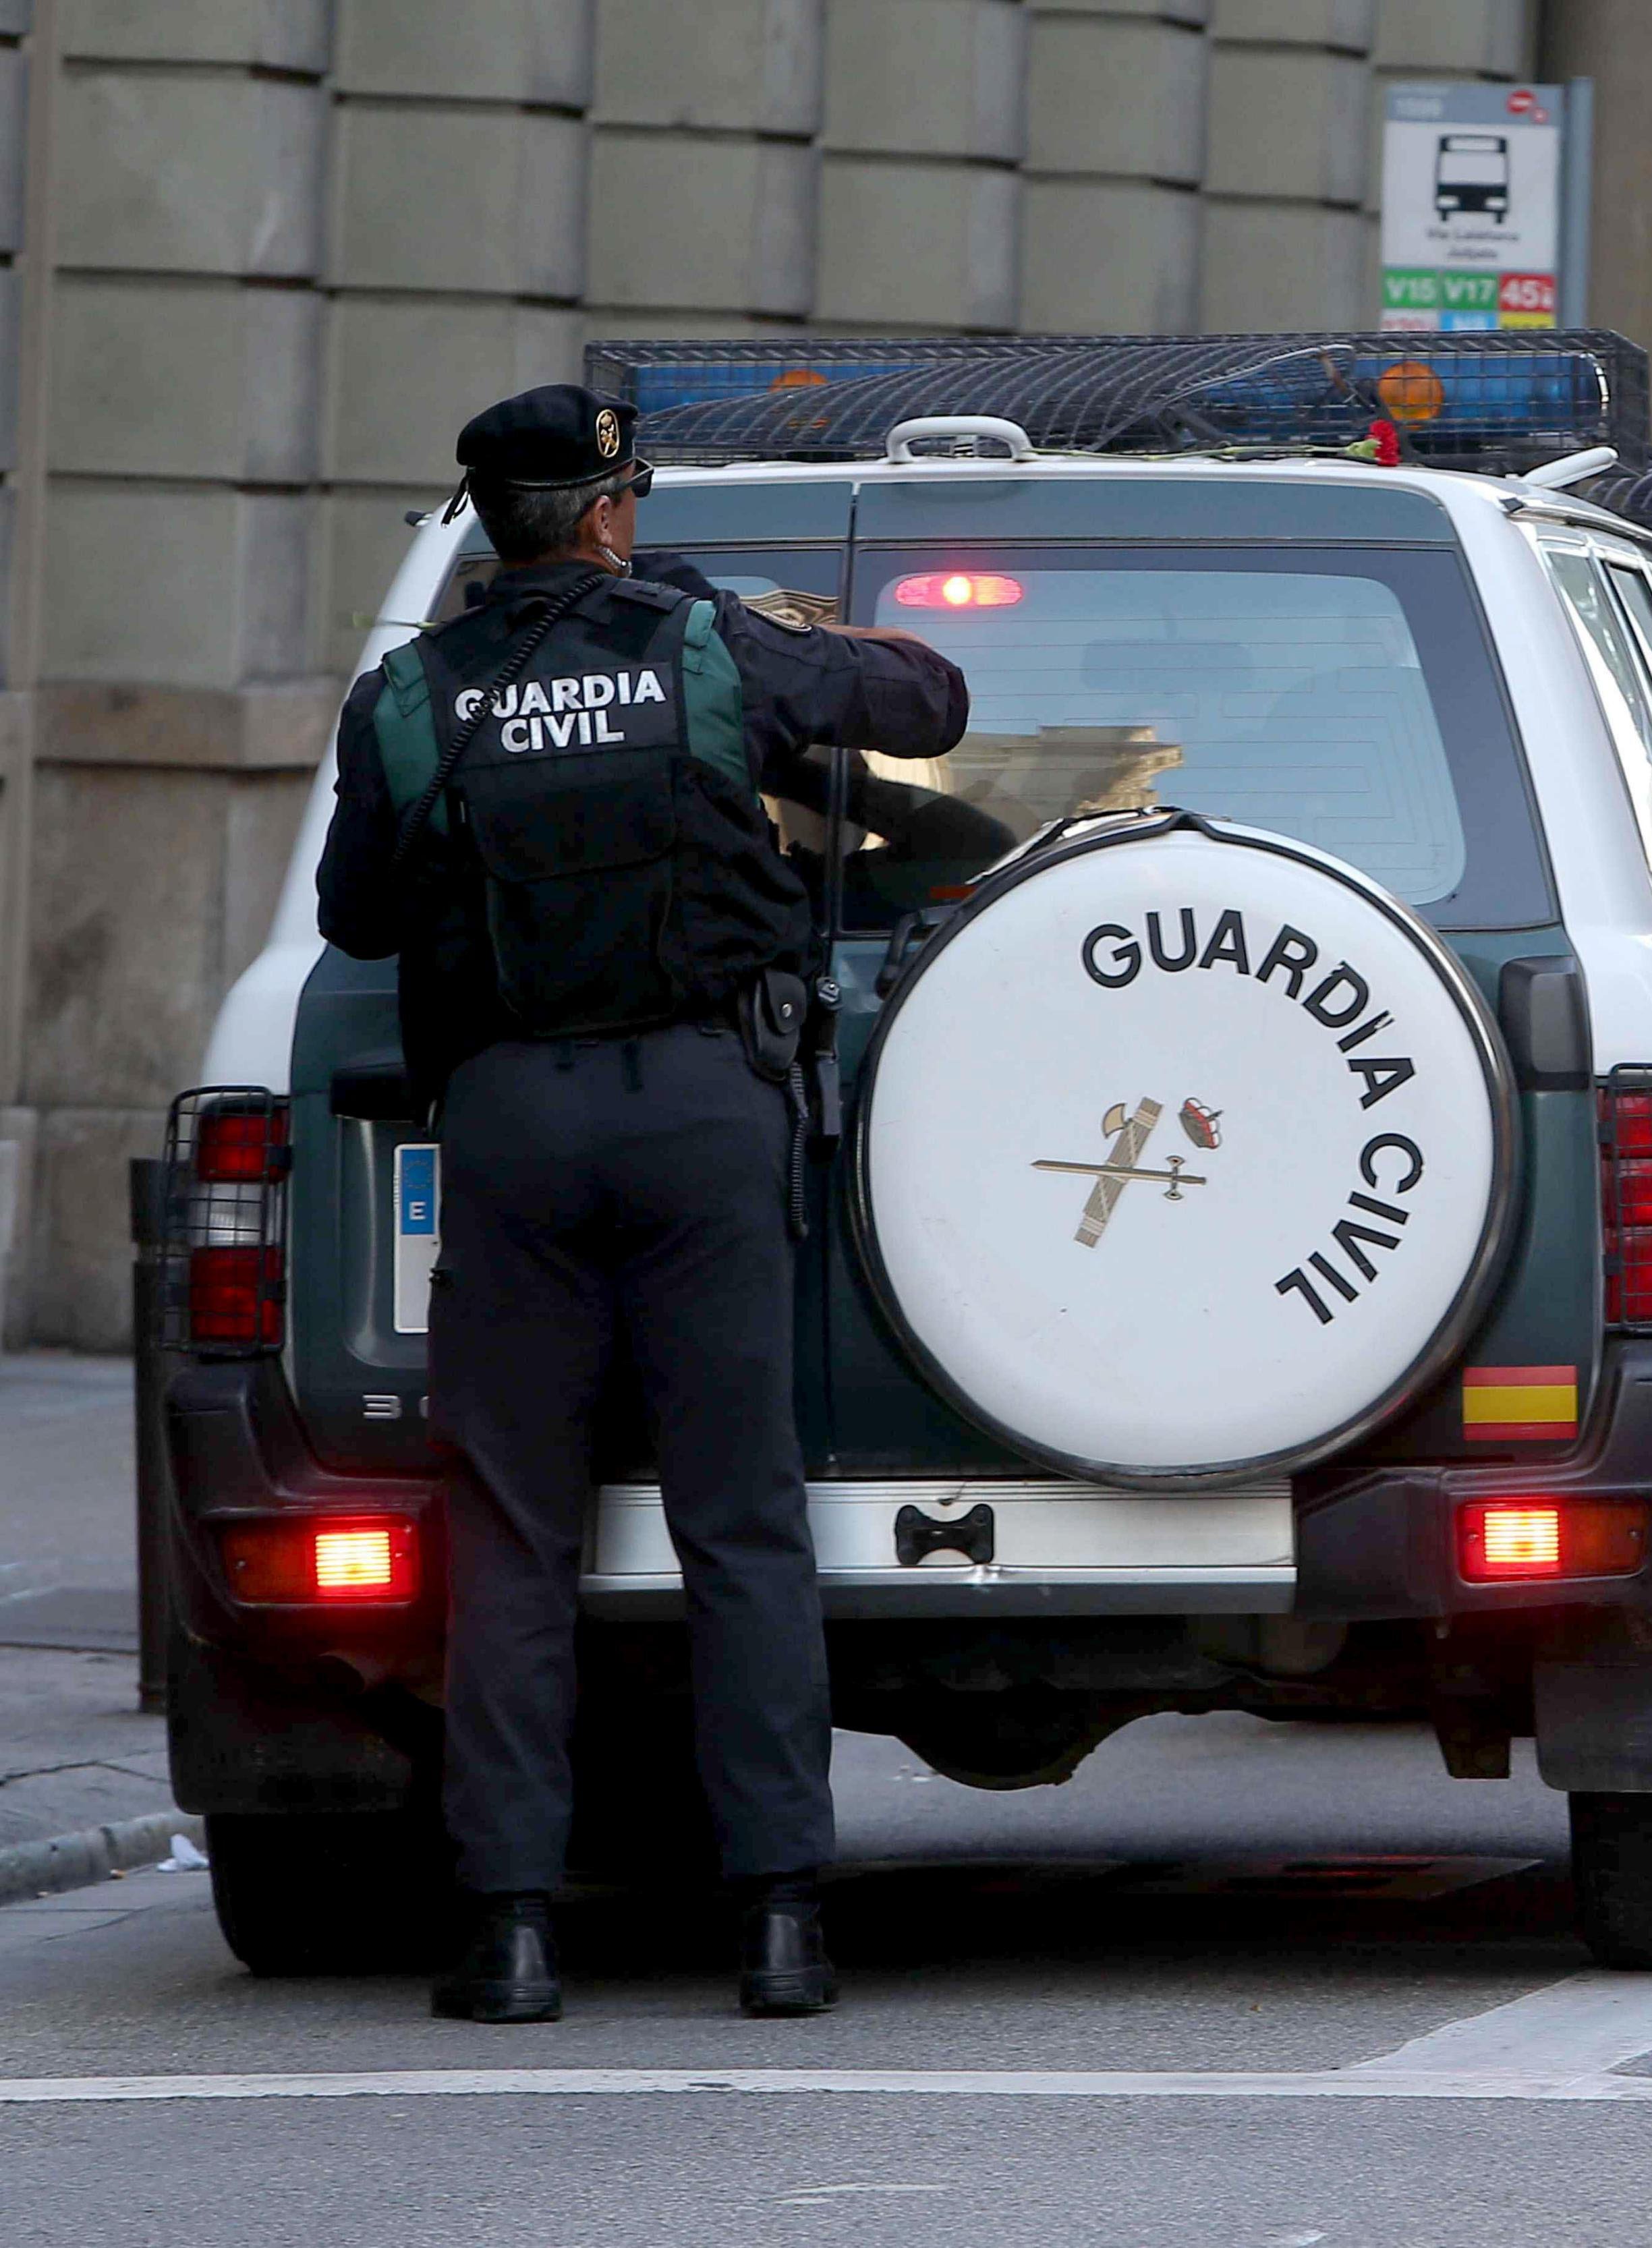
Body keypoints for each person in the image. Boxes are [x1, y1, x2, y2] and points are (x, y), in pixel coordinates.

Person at [316, 384, 971, 2024]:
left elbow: (360, 915)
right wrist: (735, 631)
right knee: (739, 1519)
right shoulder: (703, 649)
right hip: (701, 1117)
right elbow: (933, 703)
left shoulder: (409, 696)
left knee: (515, 1538)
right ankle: (778, 1926)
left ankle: (515, 1934)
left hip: (515, 1124)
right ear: (610, 512)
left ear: (487, 524)